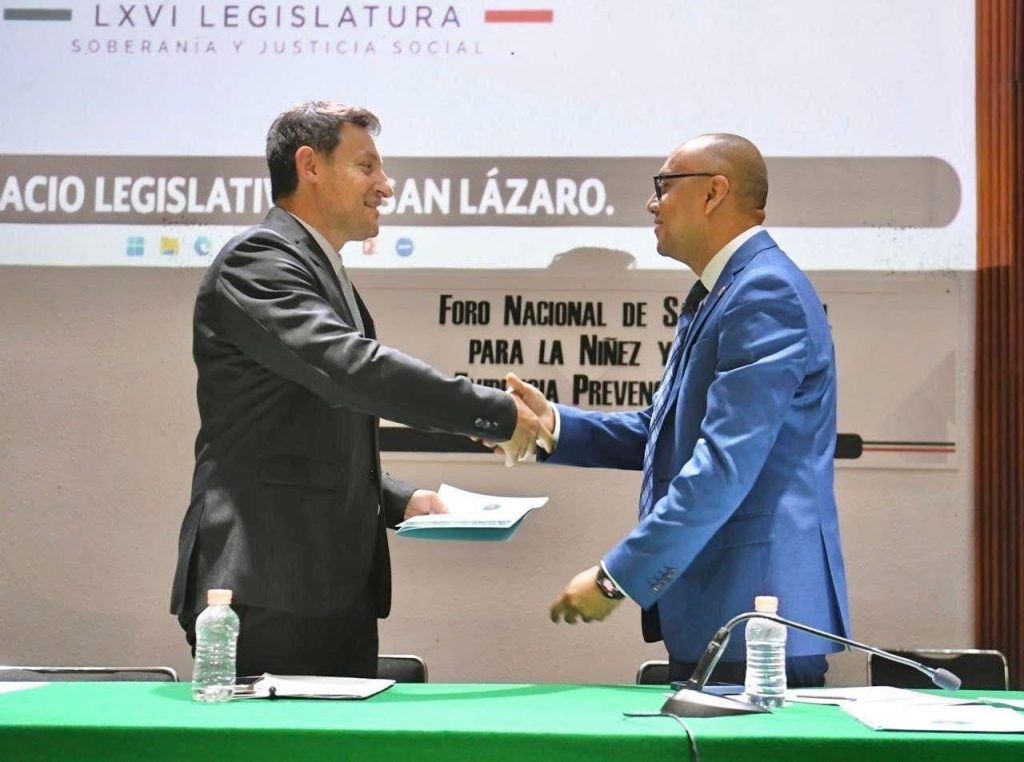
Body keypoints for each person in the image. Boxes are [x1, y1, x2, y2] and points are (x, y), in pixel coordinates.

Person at [170, 101, 550, 678]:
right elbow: (353, 371)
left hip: (327, 590)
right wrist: (494, 412)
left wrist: (399, 499)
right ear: (309, 166)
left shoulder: (318, 267)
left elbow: (306, 430)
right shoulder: (257, 261)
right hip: (265, 583)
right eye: (366, 166)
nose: (386, 186)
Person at [508, 134, 850, 688]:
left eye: (664, 186)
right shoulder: (723, 291)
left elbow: (722, 465)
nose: (652, 203)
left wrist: (616, 578)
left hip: (758, 616)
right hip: (719, 610)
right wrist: (554, 428)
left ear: (714, 193)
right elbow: (664, 432)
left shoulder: (764, 292)